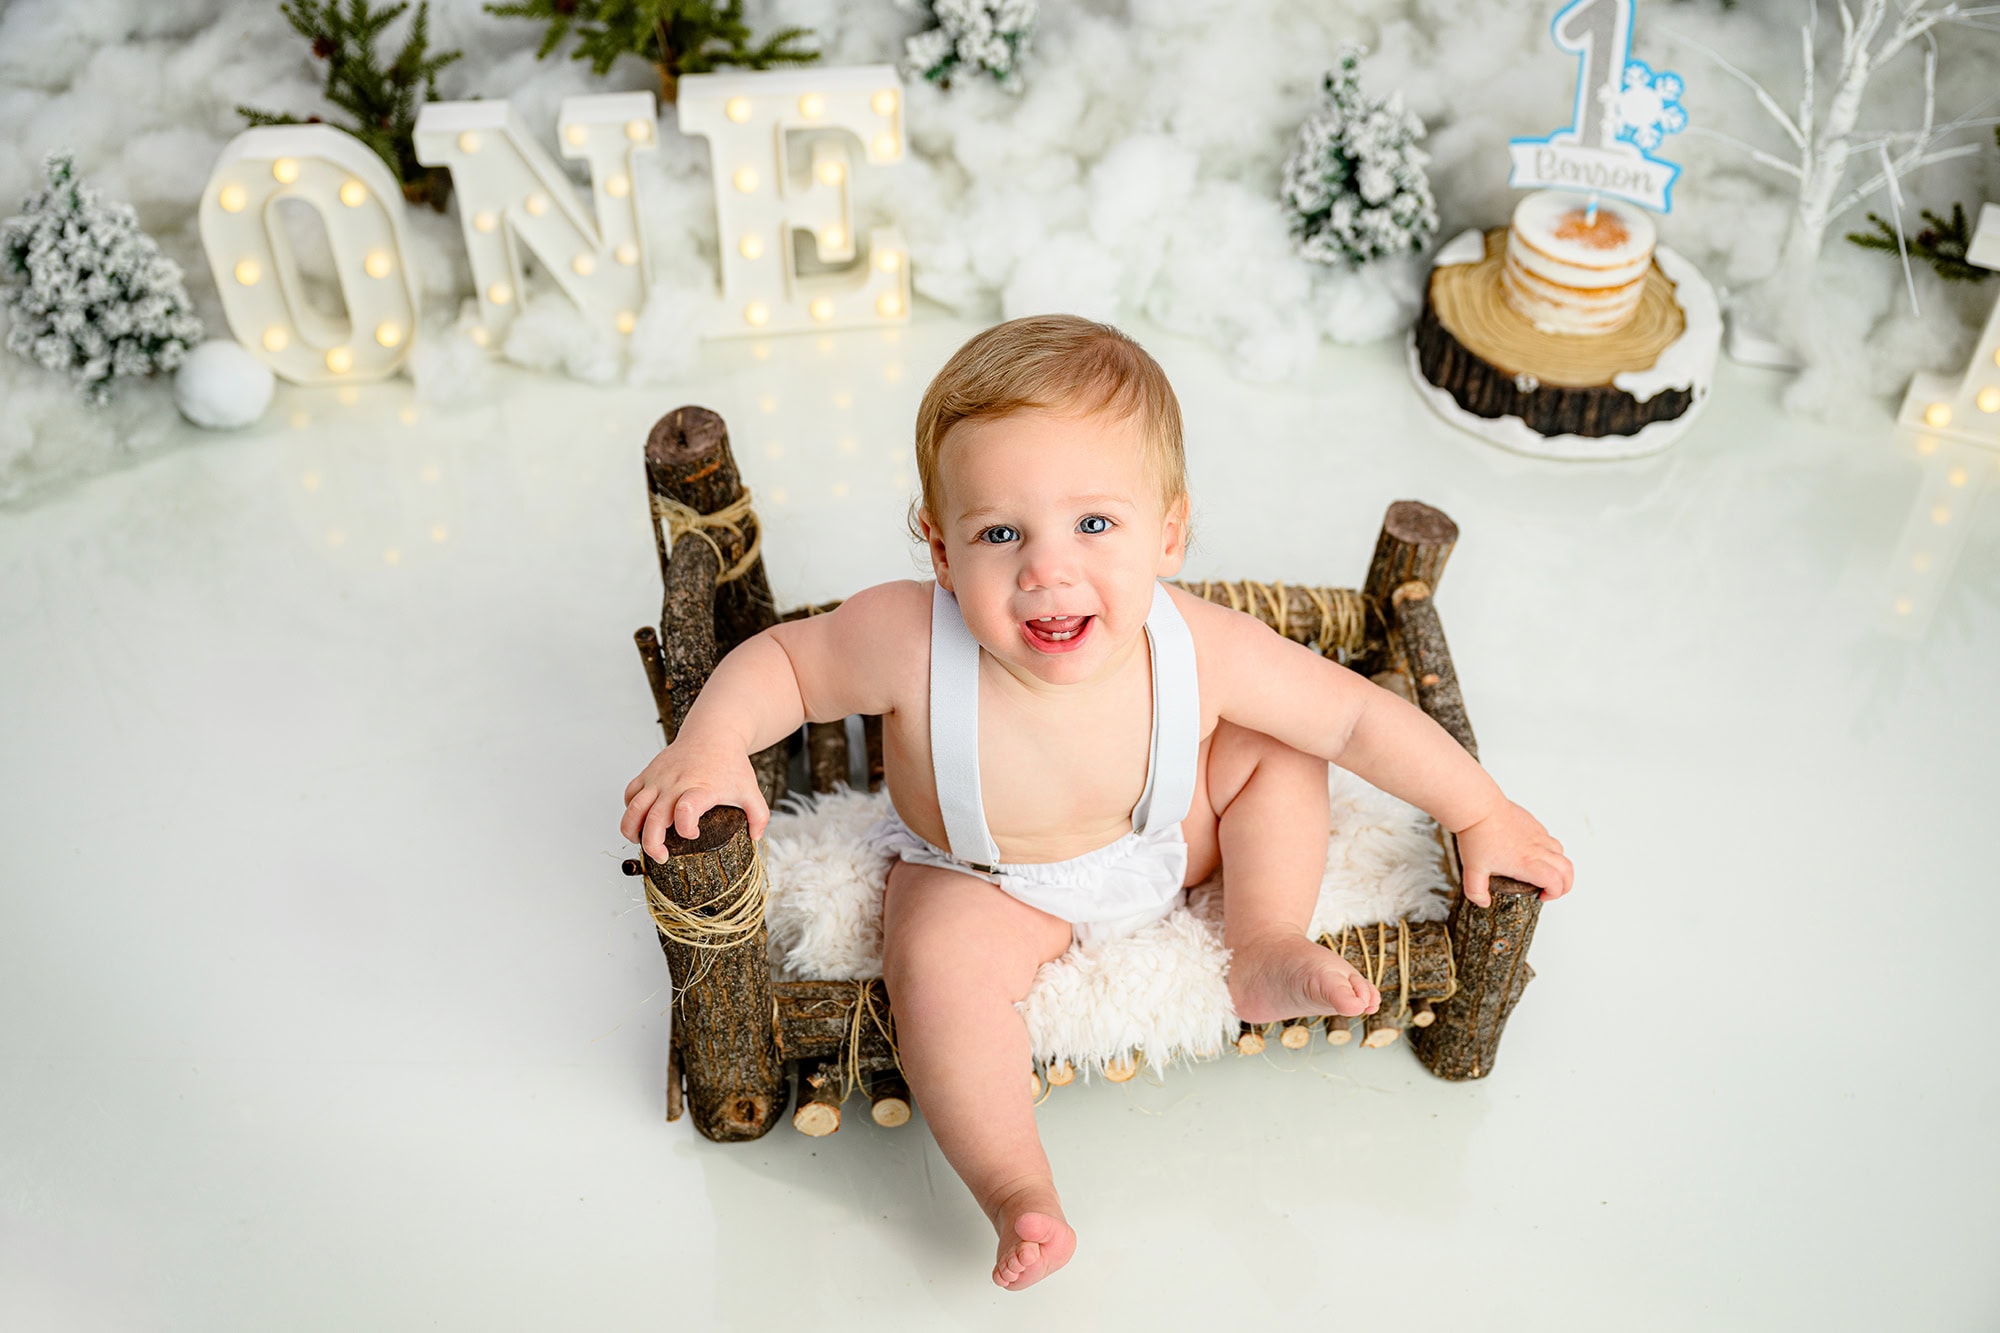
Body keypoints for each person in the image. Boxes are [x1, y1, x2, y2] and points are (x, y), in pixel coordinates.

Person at [621, 314, 1574, 1291]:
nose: (1047, 568)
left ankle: (1262, 942)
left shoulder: (1198, 642)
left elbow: (1352, 720)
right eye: (999, 532)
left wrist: (1478, 811)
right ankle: (1013, 1183)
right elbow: (784, 661)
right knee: (935, 968)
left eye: (1093, 523)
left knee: (1279, 750)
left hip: (1171, 834)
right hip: (988, 878)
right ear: (940, 551)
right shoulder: (904, 637)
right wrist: (711, 742)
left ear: (1166, 531)